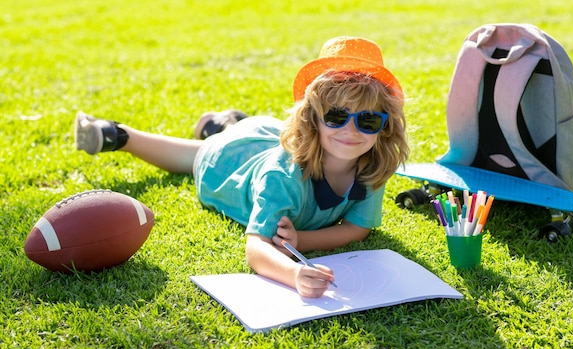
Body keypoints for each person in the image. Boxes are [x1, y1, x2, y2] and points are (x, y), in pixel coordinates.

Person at [74, 36, 409, 298]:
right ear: (313, 119)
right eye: (336, 116)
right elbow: (257, 247)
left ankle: (221, 121)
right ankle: (119, 135)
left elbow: (358, 227)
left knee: (234, 128)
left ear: (385, 125)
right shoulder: (283, 176)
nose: (351, 131)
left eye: (367, 120)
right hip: (227, 163)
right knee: (197, 154)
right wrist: (293, 274)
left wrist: (303, 240)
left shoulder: (372, 165)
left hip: (264, 136)